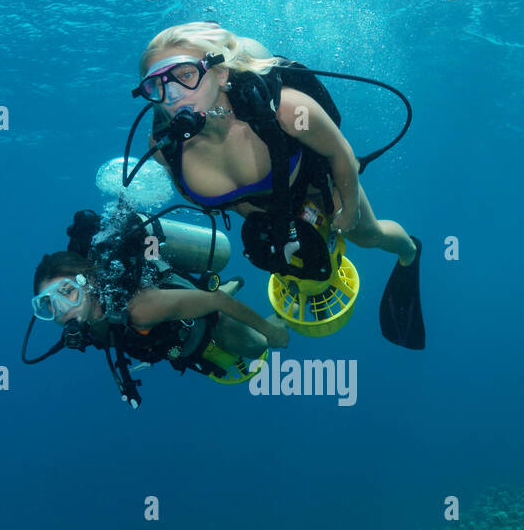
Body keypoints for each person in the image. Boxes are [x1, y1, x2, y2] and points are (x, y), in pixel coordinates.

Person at [129, 22, 425, 349]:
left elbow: (339, 152)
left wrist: (350, 206)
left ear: (221, 74)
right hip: (268, 210)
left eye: (185, 75)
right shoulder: (163, 147)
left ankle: (409, 251)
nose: (172, 96)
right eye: (156, 85)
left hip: (316, 183)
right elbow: (228, 196)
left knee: (368, 236)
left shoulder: (287, 109)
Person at [30, 249, 288, 395]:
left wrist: (271, 331)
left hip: (208, 322)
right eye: (49, 304)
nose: (62, 310)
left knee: (259, 346)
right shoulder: (88, 324)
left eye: (66, 292)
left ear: (89, 282)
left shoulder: (141, 308)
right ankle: (202, 292)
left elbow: (218, 302)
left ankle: (285, 309)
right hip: (177, 339)